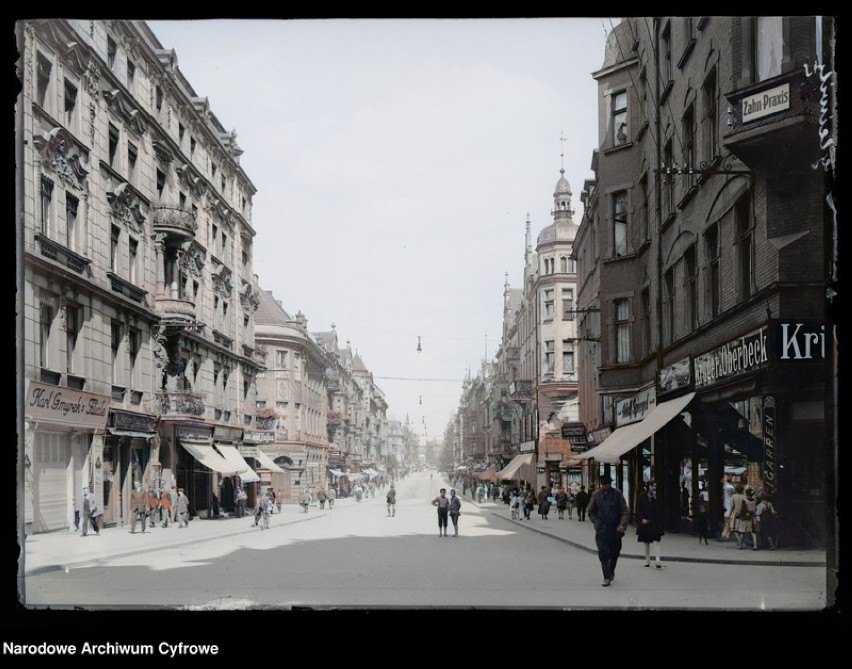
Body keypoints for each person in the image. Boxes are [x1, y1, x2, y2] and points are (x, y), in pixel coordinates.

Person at [586, 473, 629, 587]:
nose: (606, 486)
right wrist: (596, 522)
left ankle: (611, 570)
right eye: (604, 484)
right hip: (602, 529)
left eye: (608, 484)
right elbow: (590, 511)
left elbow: (624, 511)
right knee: (603, 553)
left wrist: (622, 525)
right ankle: (606, 576)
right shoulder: (596, 495)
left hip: (615, 529)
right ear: (601, 484)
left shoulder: (617, 494)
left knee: (615, 553)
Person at [636, 480, 664, 568]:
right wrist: (642, 518)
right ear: (648, 486)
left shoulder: (657, 496)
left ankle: (658, 560)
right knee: (646, 542)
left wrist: (655, 498)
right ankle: (647, 560)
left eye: (655, 486)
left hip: (655, 522)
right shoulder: (642, 496)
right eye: (652, 486)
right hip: (645, 522)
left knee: (656, 541)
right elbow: (639, 508)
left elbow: (661, 508)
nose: (654, 488)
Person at [733, 486, 758, 550]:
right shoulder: (755, 501)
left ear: (746, 494)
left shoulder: (744, 501)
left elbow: (742, 509)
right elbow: (755, 510)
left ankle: (740, 545)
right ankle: (755, 545)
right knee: (753, 532)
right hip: (752, 517)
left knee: (742, 532)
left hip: (744, 518)